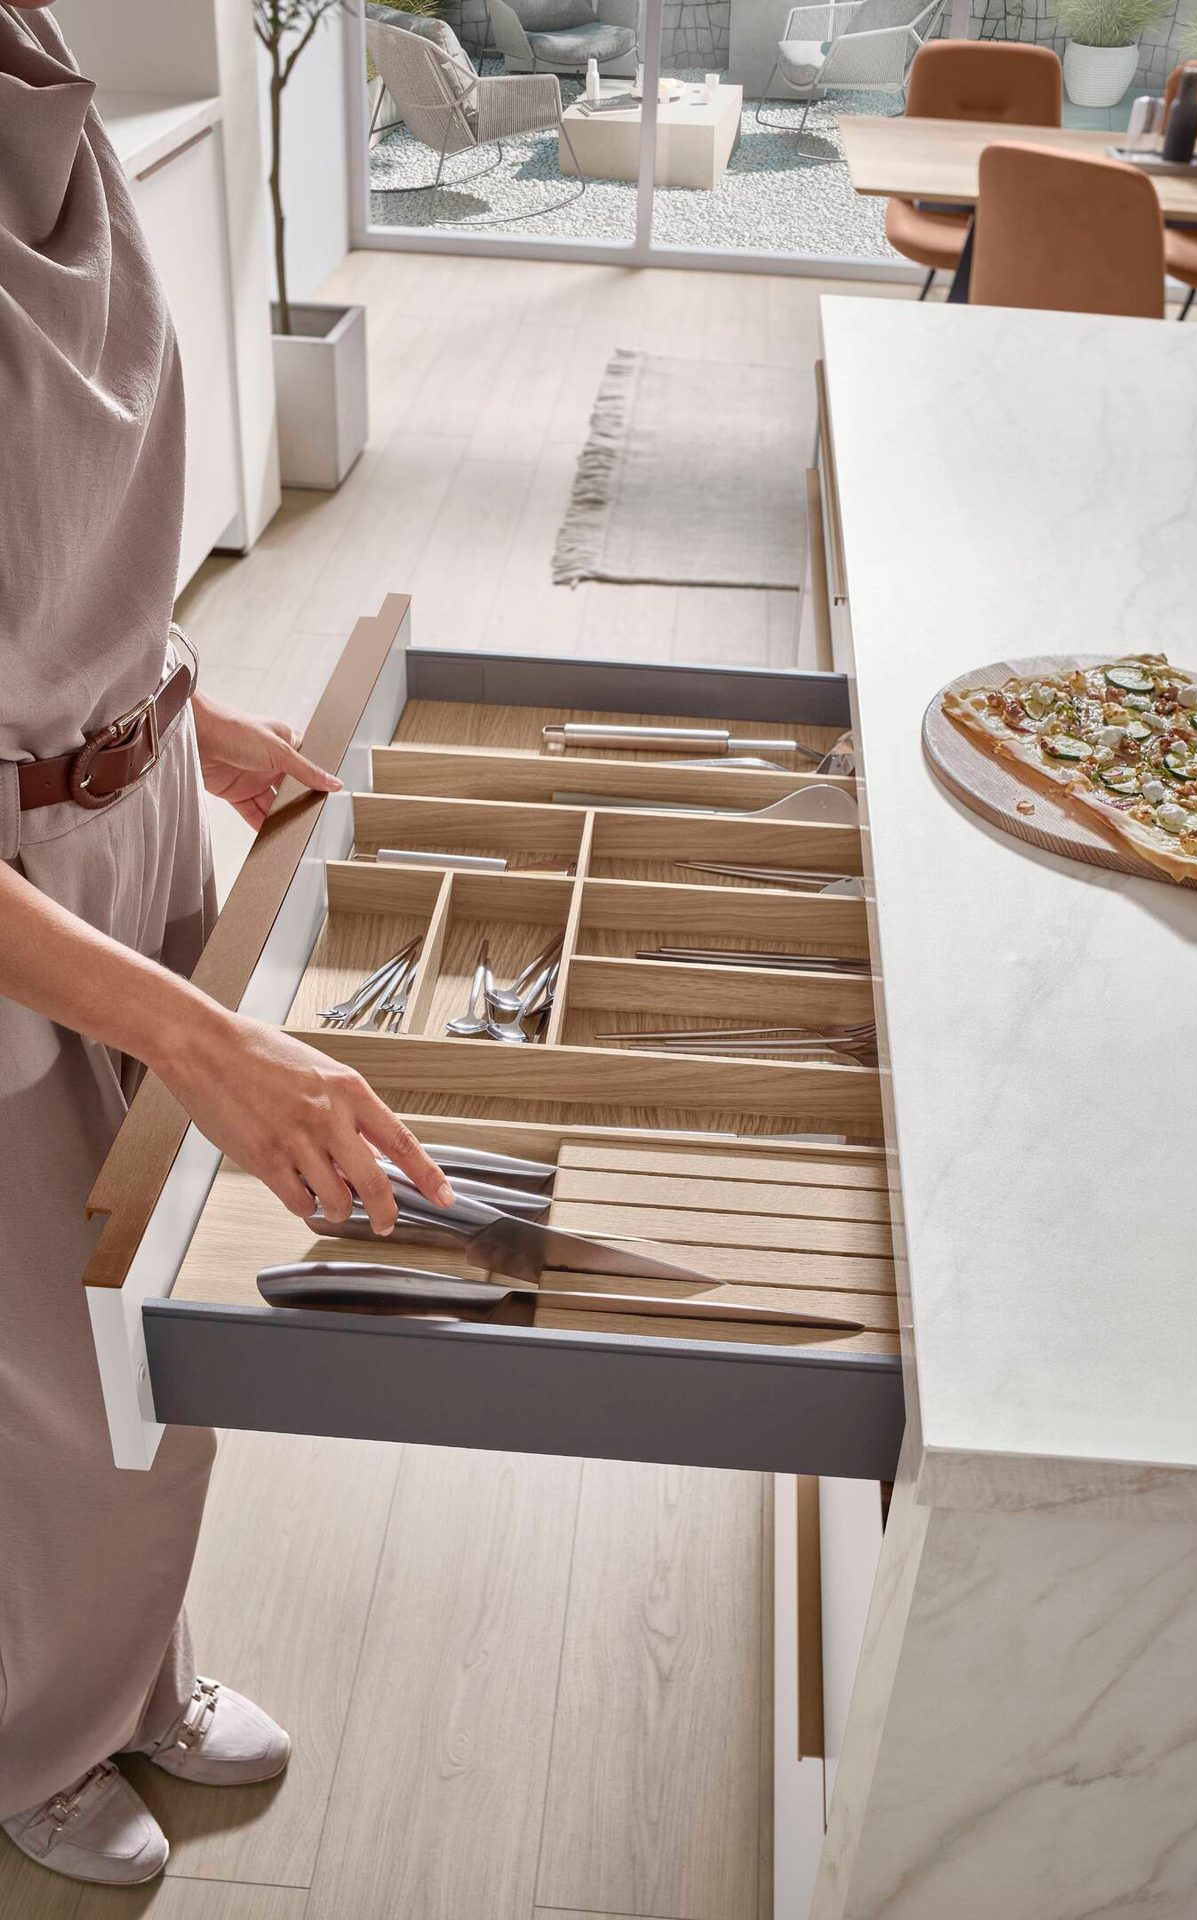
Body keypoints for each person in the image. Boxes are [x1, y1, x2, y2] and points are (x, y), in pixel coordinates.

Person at [0, 3, 453, 1887]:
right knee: (39, 1368)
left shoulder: (45, 84)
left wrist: (181, 704)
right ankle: (34, 1731)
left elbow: (70, 533)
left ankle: (127, 1668)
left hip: (128, 807)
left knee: (147, 1338)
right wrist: (201, 1042)